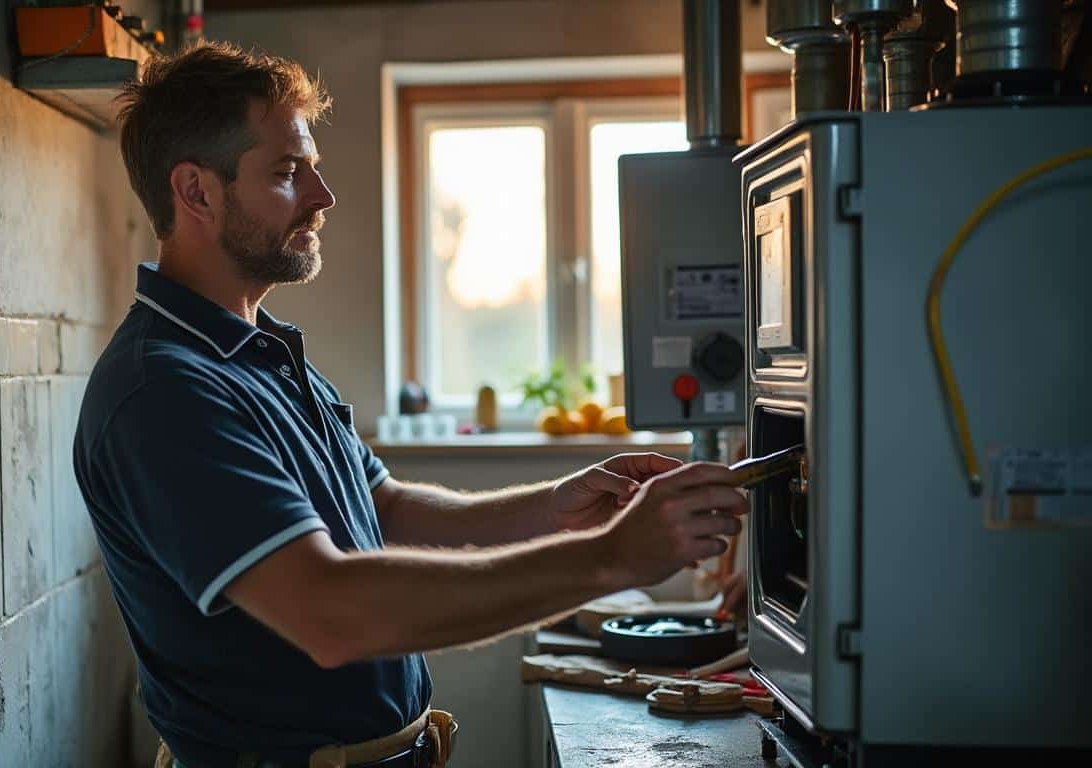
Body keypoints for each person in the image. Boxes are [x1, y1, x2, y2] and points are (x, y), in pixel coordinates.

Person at [72, 41, 749, 768]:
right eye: (288, 173)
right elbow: (329, 613)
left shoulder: (260, 352)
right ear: (198, 192)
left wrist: (558, 506)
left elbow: (384, 511)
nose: (322, 196)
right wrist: (613, 557)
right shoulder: (165, 391)